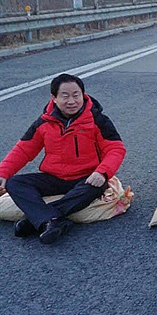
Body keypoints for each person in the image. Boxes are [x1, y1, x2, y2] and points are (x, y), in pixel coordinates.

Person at [0, 73, 126, 244]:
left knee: (96, 186)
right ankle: (52, 220)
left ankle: (38, 219)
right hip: (54, 178)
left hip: (87, 178)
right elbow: (23, 149)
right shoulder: (44, 123)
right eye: (65, 96)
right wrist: (3, 173)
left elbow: (115, 148)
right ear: (54, 98)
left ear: (83, 95)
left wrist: (102, 172)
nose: (72, 101)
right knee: (15, 183)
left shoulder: (97, 120)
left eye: (76, 95)